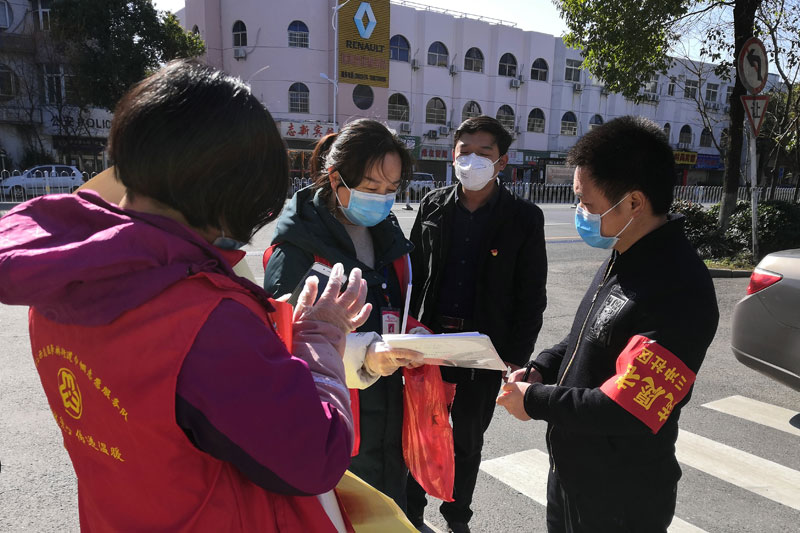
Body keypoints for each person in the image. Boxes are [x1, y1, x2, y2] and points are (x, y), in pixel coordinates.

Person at [0, 60, 370, 532]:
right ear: (231, 197)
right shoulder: (205, 323)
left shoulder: (61, 277)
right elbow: (315, 456)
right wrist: (320, 336)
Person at [497, 116, 720, 532]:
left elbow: (629, 408)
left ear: (634, 203)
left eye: (586, 202)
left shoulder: (679, 288)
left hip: (619, 498)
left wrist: (535, 400)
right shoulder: (625, 253)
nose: (580, 212)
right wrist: (543, 366)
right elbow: (588, 334)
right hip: (572, 476)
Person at [263, 118, 423, 512]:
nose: (382, 199)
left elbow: (392, 309)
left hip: (388, 416)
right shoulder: (297, 249)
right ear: (336, 179)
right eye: (371, 188)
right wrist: (364, 354)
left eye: (391, 189)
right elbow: (278, 345)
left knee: (388, 511)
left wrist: (414, 334)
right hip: (333, 421)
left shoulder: (388, 236)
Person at [407, 115, 548, 533]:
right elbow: (413, 271)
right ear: (453, 156)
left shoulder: (523, 217)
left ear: (501, 162)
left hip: (483, 348)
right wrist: (405, 331)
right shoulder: (433, 205)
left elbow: (531, 295)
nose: (471, 160)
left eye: (483, 152)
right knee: (419, 433)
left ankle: (457, 518)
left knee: (467, 440)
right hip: (429, 340)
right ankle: (411, 513)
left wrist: (513, 357)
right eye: (464, 151)